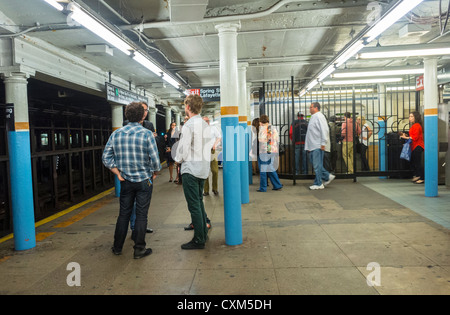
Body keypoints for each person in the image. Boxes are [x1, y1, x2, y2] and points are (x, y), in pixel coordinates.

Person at [103, 102, 161, 259]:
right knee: (142, 214)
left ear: (126, 115)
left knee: (124, 214)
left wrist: (117, 173)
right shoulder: (147, 134)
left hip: (126, 180)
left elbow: (106, 157)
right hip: (144, 180)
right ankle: (139, 249)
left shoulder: (116, 134)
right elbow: (155, 160)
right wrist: (155, 173)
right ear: (142, 115)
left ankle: (117, 247)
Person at [175, 94, 212, 249]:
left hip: (191, 170)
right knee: (199, 202)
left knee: (194, 205)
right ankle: (203, 233)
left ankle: (199, 239)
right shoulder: (205, 125)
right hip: (203, 169)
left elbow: (182, 150)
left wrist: (177, 160)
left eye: (185, 106)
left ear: (188, 107)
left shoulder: (189, 125)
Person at [305, 102, 335, 190]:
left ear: (316, 108)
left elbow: (324, 130)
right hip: (313, 145)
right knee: (316, 165)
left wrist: (323, 143)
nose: (309, 109)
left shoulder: (319, 116)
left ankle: (318, 183)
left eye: (311, 107)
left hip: (317, 145)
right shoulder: (314, 117)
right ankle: (327, 176)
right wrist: (308, 147)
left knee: (317, 166)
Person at [257, 114, 283, 192]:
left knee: (264, 169)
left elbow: (260, 140)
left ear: (261, 122)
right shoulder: (274, 128)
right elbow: (277, 139)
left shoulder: (262, 129)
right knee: (270, 167)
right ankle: (277, 185)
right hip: (273, 150)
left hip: (265, 151)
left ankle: (263, 187)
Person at [400, 111, 424, 184]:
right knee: (414, 162)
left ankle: (422, 177)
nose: (409, 118)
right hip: (415, 146)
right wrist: (407, 137)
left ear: (416, 117)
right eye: (409, 116)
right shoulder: (414, 125)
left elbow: (414, 137)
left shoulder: (416, 125)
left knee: (417, 163)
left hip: (418, 146)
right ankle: (418, 175)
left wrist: (405, 137)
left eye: (411, 116)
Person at [203, 116, 222, 196]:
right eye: (205, 121)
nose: (206, 122)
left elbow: (219, 137)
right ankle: (206, 190)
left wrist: (215, 144)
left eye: (207, 121)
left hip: (212, 150)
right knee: (205, 172)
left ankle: (215, 188)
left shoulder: (213, 128)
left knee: (215, 170)